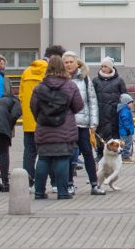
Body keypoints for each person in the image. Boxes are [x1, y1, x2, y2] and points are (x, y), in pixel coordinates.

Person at [31, 55, 84, 200]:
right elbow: (79, 105)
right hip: (64, 128)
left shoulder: (39, 87)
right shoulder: (70, 85)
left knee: (43, 160)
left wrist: (41, 118)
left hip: (44, 128)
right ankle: (62, 192)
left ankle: (39, 192)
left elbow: (33, 107)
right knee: (62, 160)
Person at [61, 51, 104, 196]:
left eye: (70, 62)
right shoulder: (60, 79)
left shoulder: (85, 79)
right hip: (66, 124)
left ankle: (94, 183)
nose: (68, 65)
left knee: (87, 153)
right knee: (68, 155)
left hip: (83, 124)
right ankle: (69, 184)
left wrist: (94, 123)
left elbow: (92, 101)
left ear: (77, 63)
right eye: (65, 62)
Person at [19, 45, 64, 184]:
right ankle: (54, 182)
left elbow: (21, 96)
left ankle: (28, 182)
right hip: (46, 120)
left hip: (28, 121)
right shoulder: (51, 72)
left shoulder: (26, 72)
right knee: (49, 153)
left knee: (29, 153)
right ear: (55, 57)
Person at [92, 57, 127, 160]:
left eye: (106, 66)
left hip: (114, 113)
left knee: (114, 133)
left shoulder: (119, 80)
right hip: (101, 112)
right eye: (102, 66)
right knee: (100, 134)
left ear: (111, 67)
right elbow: (92, 96)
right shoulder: (96, 81)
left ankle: (116, 152)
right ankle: (100, 153)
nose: (103, 68)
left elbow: (125, 96)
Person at [0, 87, 21, 192]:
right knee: (3, 153)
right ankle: (6, 183)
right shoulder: (15, 101)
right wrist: (9, 125)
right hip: (1, 127)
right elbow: (16, 113)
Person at [117, 93, 135, 161]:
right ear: (126, 103)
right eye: (131, 103)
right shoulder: (125, 111)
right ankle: (125, 156)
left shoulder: (125, 110)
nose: (132, 104)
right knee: (127, 144)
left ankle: (124, 156)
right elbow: (125, 120)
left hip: (124, 131)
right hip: (126, 131)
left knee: (125, 143)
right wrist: (128, 128)